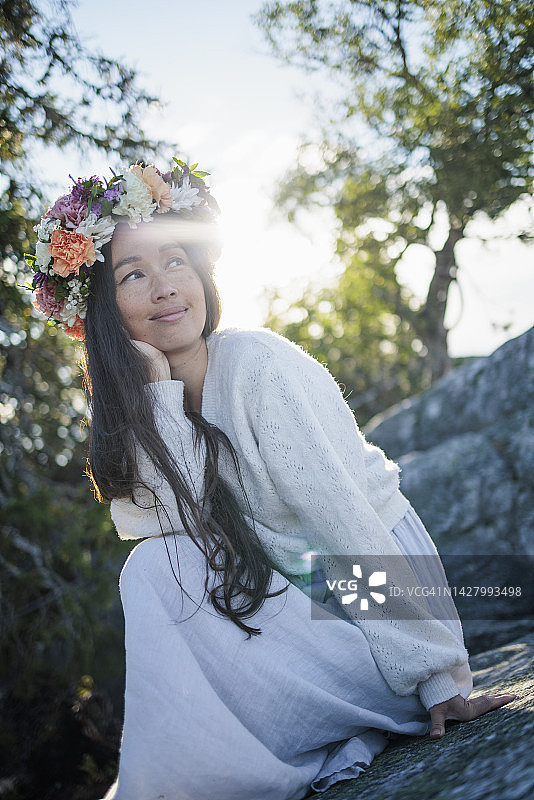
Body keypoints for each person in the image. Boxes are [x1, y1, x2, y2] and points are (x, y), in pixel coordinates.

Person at [28, 158, 517, 800]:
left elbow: (345, 528)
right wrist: (155, 398)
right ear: (104, 310)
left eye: (177, 261)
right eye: (134, 274)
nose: (165, 287)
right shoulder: (148, 407)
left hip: (369, 607)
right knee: (151, 569)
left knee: (159, 573)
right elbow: (162, 528)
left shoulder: (260, 370)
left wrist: (437, 680)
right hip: (294, 603)